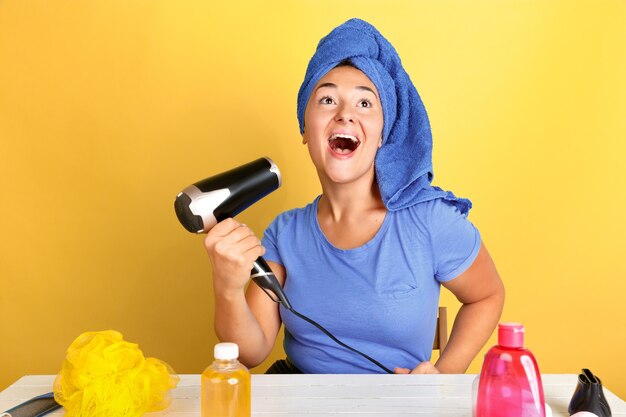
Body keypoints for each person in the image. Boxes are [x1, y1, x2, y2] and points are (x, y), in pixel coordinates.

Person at [204, 18, 505, 374]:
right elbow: (250, 353)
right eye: (327, 99)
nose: (345, 114)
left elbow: (487, 296)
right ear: (305, 128)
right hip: (301, 401)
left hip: (398, 405)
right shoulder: (284, 233)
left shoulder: (430, 220)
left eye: (365, 103)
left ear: (382, 133)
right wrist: (227, 289)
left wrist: (444, 375)